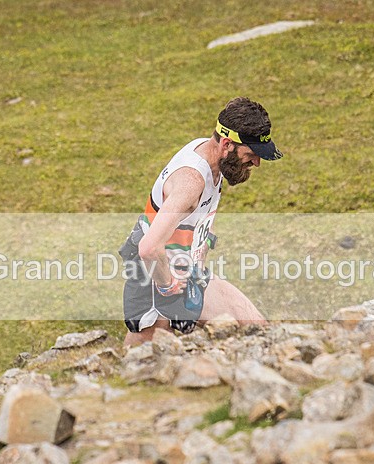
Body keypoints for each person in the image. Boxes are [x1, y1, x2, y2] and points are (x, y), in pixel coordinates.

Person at [120, 97, 283, 346]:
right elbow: (149, 249)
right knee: (145, 361)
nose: (256, 163)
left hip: (187, 270)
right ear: (227, 144)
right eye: (251, 154)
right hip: (156, 277)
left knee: (256, 328)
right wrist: (168, 287)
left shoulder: (212, 156)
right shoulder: (191, 181)